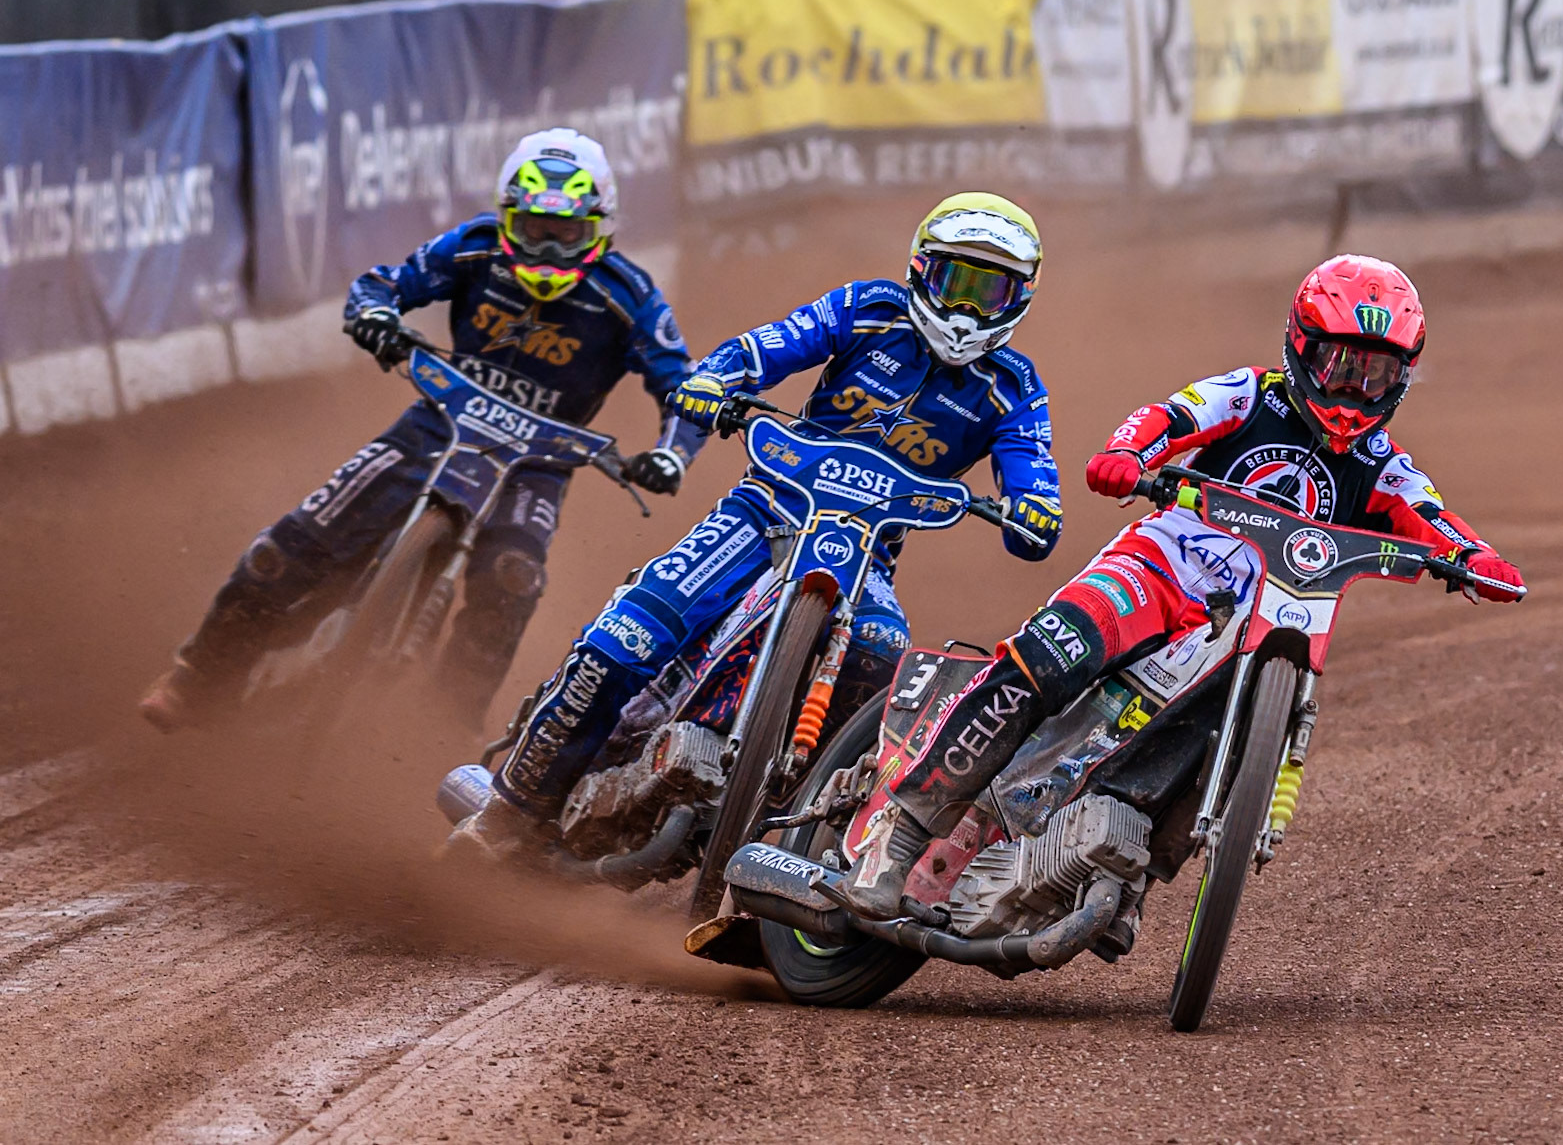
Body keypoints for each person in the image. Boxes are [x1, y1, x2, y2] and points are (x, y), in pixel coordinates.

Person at [841, 253, 1527, 918]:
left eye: (1375, 375)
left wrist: (1476, 559)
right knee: (1050, 658)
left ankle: (1121, 872)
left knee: (1228, 724)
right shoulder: (1254, 393)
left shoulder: (1381, 463)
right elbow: (1172, 416)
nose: (1353, 389)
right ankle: (895, 839)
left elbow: (1433, 518)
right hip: (1160, 570)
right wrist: (1127, 453)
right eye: (1339, 366)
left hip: (1245, 627)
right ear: (1301, 347)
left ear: (1401, 379)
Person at [448, 191, 1065, 860]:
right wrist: (717, 379)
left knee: (885, 657)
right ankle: (510, 812)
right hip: (764, 511)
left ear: (1021, 297)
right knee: (623, 637)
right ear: (920, 270)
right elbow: (774, 343)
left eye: (989, 290)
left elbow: (1032, 465)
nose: (966, 309)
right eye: (956, 282)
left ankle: (795, 837)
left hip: (865, 555)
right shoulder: (868, 310)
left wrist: (1035, 506)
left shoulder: (1015, 386)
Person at [139, 128, 700, 732]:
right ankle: (197, 677)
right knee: (287, 547)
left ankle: (441, 738)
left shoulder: (630, 296)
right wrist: (377, 317)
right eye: (535, 228)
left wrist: (670, 457)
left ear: (600, 225)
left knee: (513, 581)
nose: (548, 250)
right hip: (435, 426)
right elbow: (381, 284)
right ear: (508, 216)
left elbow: (686, 390)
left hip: (534, 464)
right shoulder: (474, 247)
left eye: (567, 233)